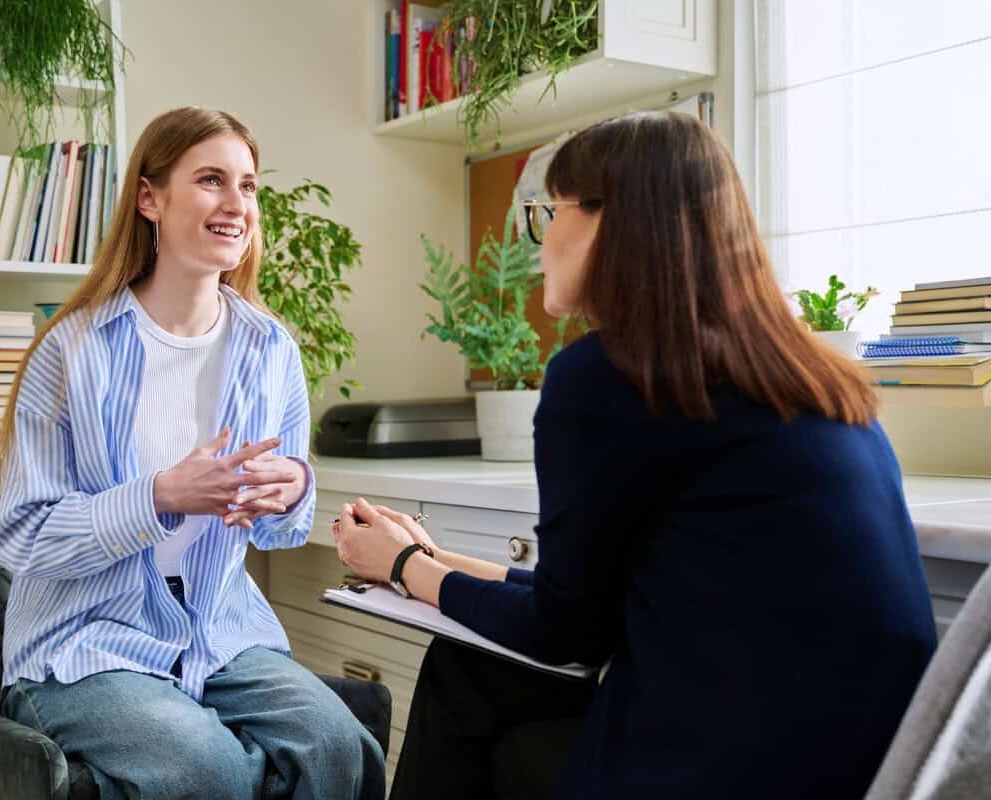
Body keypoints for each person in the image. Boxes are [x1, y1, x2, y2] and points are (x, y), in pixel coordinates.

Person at [333, 111, 937, 800]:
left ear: (611, 221)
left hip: (732, 771)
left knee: (465, 680)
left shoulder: (609, 376)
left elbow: (567, 634)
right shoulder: (805, 378)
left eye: (547, 213)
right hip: (865, 768)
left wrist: (406, 568)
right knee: (480, 678)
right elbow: (604, 601)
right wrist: (434, 562)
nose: (542, 241)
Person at [0, 106, 385, 800]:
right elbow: (22, 536)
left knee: (338, 746)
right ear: (150, 197)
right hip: (85, 636)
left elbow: (280, 528)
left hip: (219, 625)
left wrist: (292, 485)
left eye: (249, 185)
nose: (237, 204)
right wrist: (160, 496)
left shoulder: (270, 351)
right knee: (208, 769)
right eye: (210, 180)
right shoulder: (72, 348)